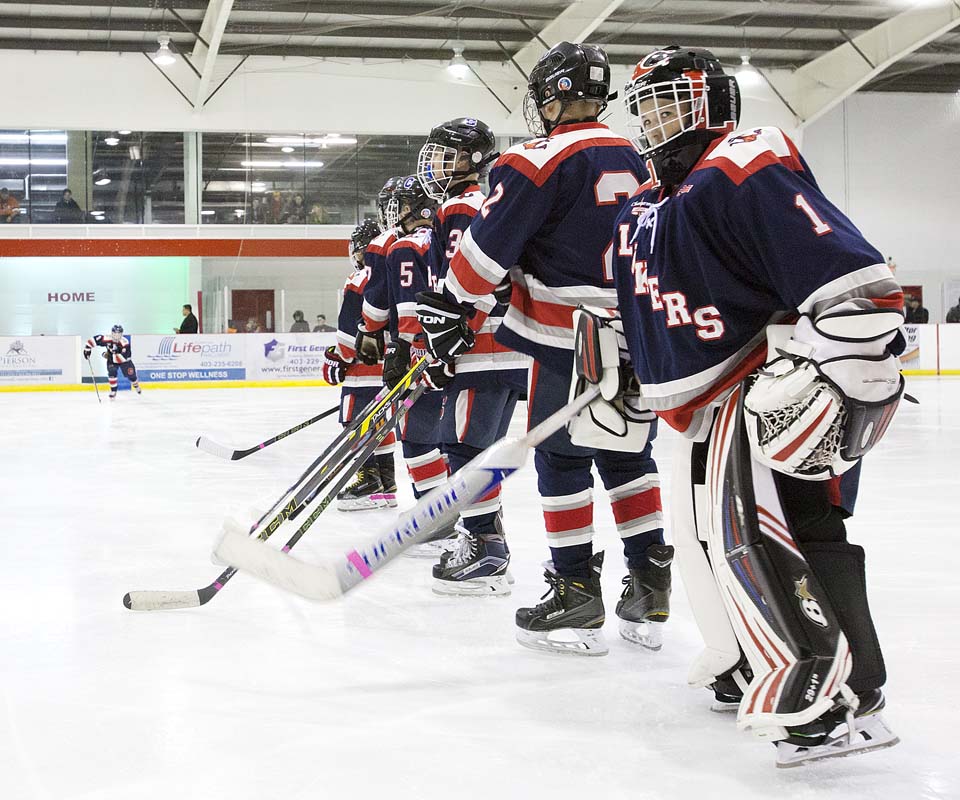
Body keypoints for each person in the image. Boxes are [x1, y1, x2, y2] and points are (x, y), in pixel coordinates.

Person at [611, 45, 903, 767]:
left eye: (671, 100)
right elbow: (638, 307)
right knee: (707, 544)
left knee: (782, 536)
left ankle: (834, 691)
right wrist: (624, 362)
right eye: (645, 105)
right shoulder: (647, 202)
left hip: (763, 394)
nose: (654, 118)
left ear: (714, 102)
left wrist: (835, 371)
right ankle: (749, 657)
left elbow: (855, 284)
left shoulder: (743, 162)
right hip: (697, 411)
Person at [416, 42, 670, 654]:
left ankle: (575, 591)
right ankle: (650, 585)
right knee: (629, 459)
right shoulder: (644, 159)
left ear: (551, 98)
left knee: (562, 462)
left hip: (568, 340)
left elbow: (481, 258)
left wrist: (451, 312)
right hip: (640, 338)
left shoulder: (536, 159)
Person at [416, 117, 531, 595]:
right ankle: (486, 535)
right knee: (476, 447)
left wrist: (450, 339)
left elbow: (480, 277)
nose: (439, 164)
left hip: (482, 352)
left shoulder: (462, 207)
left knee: (464, 448)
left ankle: (485, 549)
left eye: (451, 155)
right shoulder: (471, 204)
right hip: (499, 352)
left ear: (474, 161)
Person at [321, 219, 399, 510]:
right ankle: (386, 485)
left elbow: (347, 336)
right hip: (391, 370)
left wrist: (337, 357)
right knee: (381, 425)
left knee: (356, 423)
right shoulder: (395, 271)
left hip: (362, 372)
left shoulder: (359, 279)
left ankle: (368, 482)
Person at [84, 325, 141, 399]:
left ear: (121, 334)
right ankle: (113, 391)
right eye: (115, 333)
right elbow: (93, 340)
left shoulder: (125, 343)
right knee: (112, 372)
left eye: (119, 334)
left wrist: (108, 354)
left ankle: (136, 385)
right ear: (112, 333)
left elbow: (122, 358)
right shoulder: (107, 338)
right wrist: (87, 349)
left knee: (131, 375)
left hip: (125, 361)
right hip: (112, 360)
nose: (116, 336)